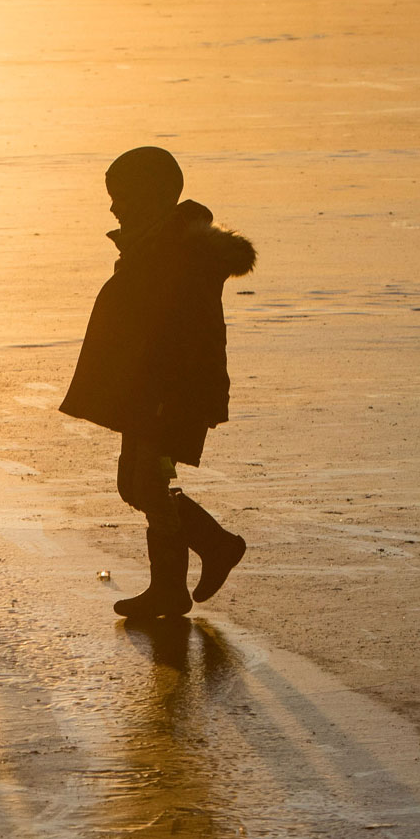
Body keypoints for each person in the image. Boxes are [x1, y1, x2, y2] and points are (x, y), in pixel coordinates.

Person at [58, 147, 254, 620]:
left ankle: (203, 557)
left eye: (122, 196)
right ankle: (188, 567)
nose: (113, 206)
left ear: (152, 196)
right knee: (139, 483)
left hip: (168, 397)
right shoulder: (156, 246)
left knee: (145, 480)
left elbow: (188, 338)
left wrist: (168, 400)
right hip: (150, 394)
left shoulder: (178, 255)